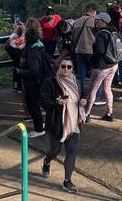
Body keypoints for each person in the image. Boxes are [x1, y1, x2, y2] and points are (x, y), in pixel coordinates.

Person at [40, 58, 86, 194]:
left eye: (69, 67)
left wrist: (84, 99)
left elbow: (84, 93)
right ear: (58, 67)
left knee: (71, 151)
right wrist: (57, 102)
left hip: (73, 123)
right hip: (55, 124)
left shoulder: (77, 81)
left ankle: (67, 181)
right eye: (63, 66)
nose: (66, 69)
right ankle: (47, 162)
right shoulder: (50, 82)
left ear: (73, 68)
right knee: (53, 151)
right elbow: (43, 101)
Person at [17, 27, 52, 138]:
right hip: (41, 81)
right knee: (37, 104)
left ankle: (38, 128)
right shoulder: (40, 48)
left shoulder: (32, 52)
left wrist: (21, 72)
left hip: (34, 83)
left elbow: (34, 70)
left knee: (33, 104)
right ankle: (40, 124)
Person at [85, 12, 120, 122]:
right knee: (108, 89)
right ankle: (109, 113)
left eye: (98, 20)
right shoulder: (114, 31)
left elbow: (100, 51)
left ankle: (87, 114)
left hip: (102, 66)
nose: (96, 21)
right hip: (113, 64)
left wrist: (91, 58)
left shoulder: (101, 34)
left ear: (104, 21)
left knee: (93, 90)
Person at [72, 4, 98, 81]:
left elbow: (73, 37)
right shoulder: (94, 21)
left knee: (81, 74)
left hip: (79, 49)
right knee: (94, 74)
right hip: (91, 50)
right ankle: (93, 92)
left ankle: (81, 90)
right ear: (92, 11)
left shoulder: (76, 21)